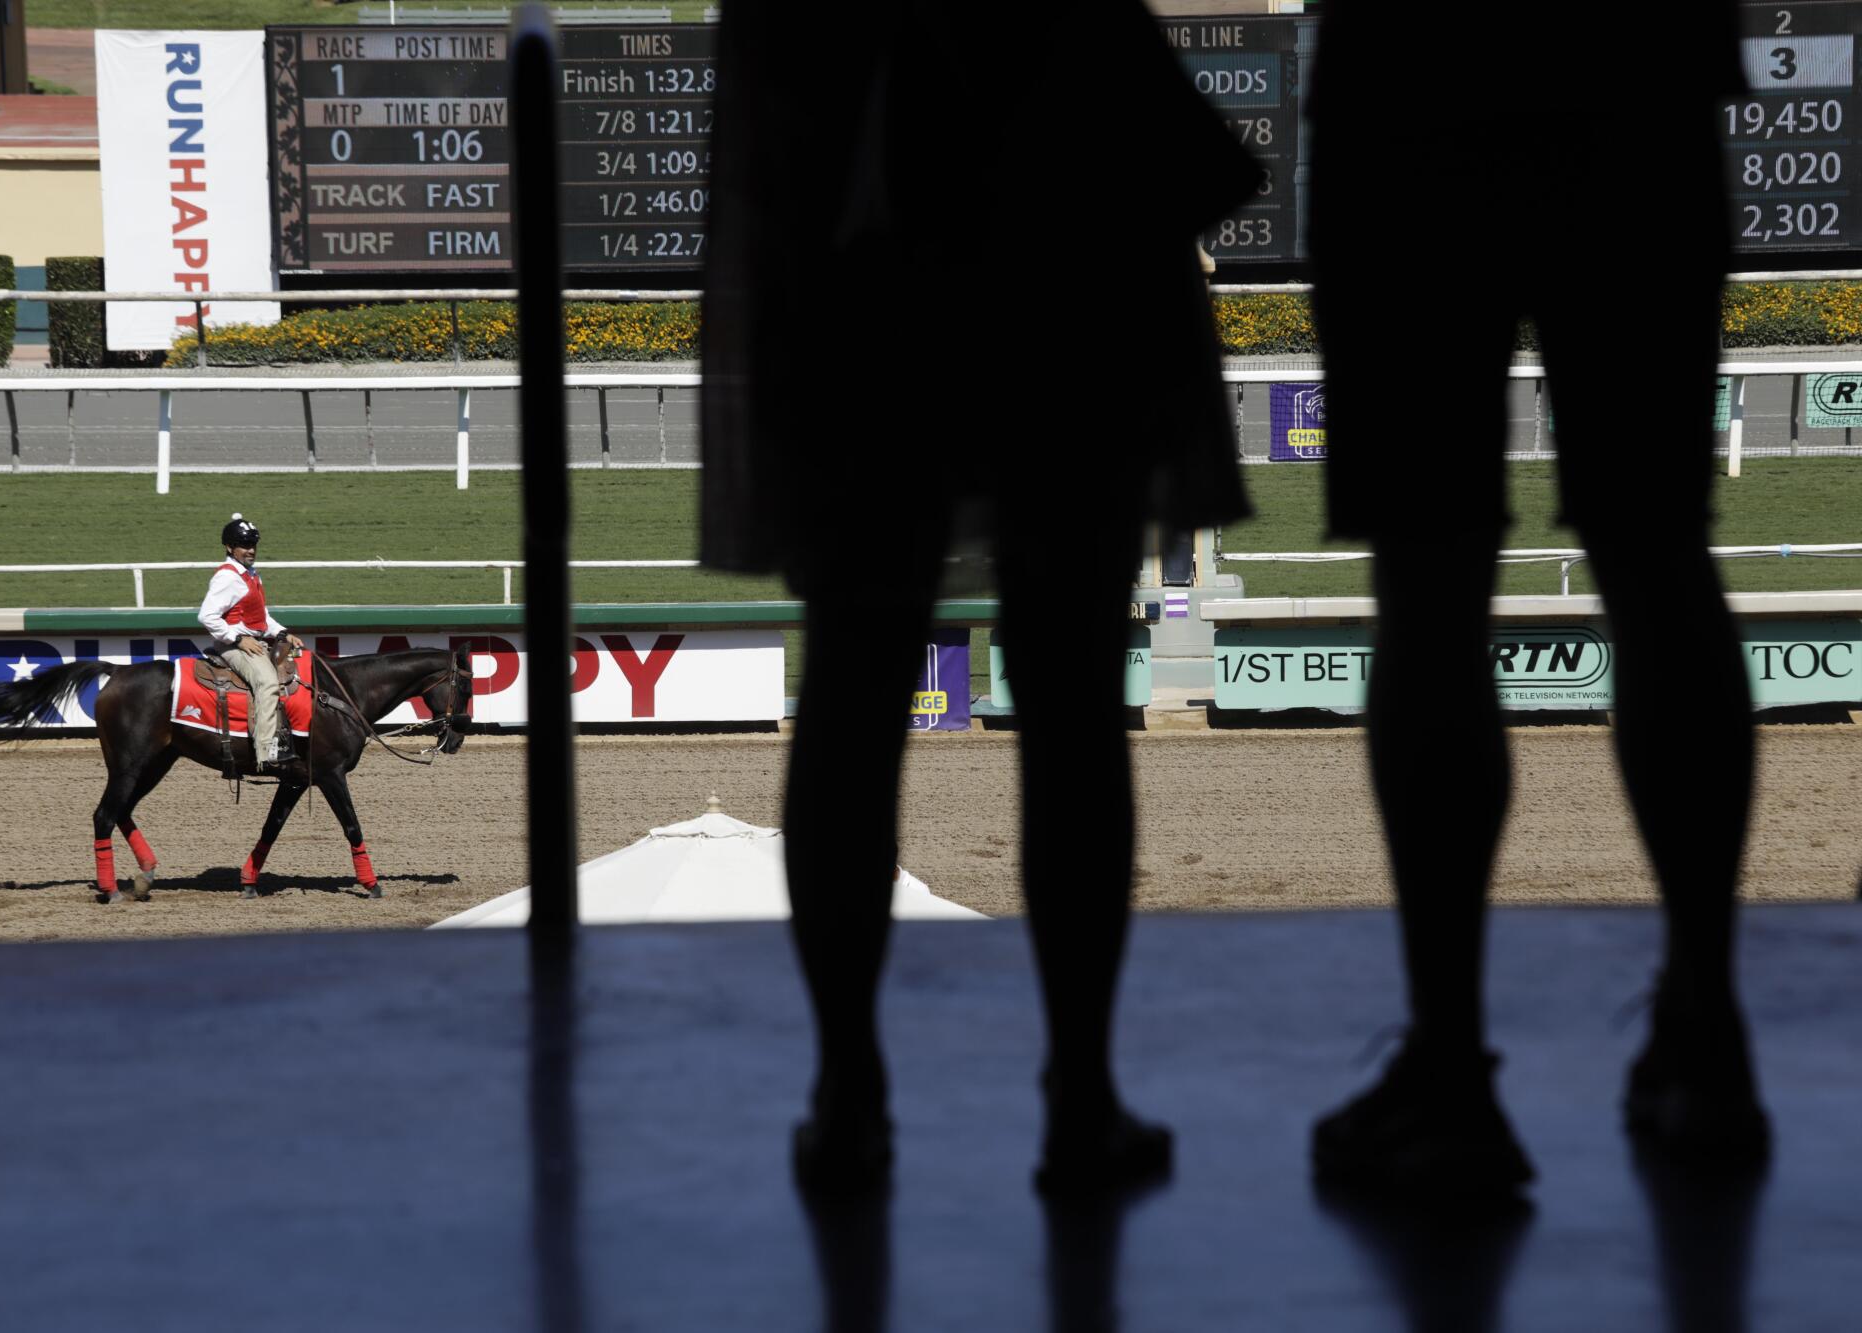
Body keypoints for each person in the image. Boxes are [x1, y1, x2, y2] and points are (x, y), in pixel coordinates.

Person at [701, 2, 1260, 1194]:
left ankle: (847, 1096)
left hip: (861, 302)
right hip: (1069, 292)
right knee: (1067, 710)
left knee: (853, 689)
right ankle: (1080, 1096)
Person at [1304, 2, 1767, 1195]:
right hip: (1637, 81)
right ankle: (1705, 1033)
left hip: (1408, 93)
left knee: (1428, 574)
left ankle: (1450, 1069)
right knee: (1659, 552)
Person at [198, 514, 303, 772]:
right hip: (233, 646)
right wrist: (238, 638)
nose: (251, 550)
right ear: (229, 548)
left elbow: (261, 618)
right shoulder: (228, 577)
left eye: (253, 545)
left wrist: (282, 633)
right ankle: (265, 754)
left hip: (253, 641)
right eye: (244, 545)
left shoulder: (251, 575)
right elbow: (206, 615)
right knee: (267, 683)